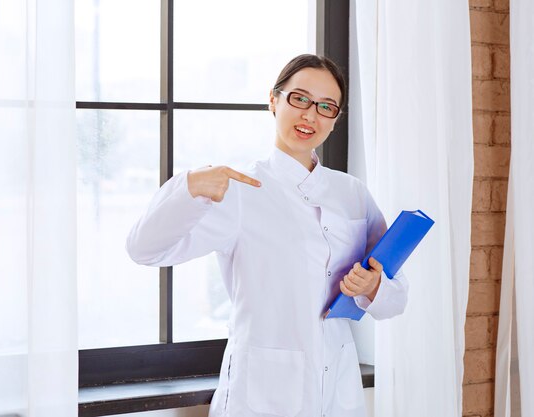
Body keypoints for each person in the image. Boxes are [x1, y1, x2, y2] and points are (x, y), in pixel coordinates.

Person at [126, 54, 408, 417]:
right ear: (273, 101)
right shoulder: (240, 189)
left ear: (335, 120)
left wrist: (372, 287)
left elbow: (396, 295)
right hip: (260, 394)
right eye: (299, 98)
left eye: (326, 106)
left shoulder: (353, 194)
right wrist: (189, 187)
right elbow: (143, 250)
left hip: (338, 389)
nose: (310, 115)